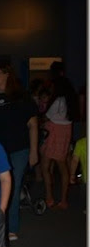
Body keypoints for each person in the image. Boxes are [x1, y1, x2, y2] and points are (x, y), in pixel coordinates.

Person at [0, 64, 39, 241]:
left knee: (12, 185)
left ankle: (11, 226)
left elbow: (33, 125)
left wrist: (34, 151)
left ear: (7, 75)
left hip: (18, 150)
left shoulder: (22, 98)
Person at [40, 65, 79, 210]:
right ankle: (63, 200)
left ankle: (49, 197)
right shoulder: (70, 101)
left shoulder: (58, 101)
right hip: (65, 134)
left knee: (45, 167)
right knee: (63, 167)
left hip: (53, 134)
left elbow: (46, 117)